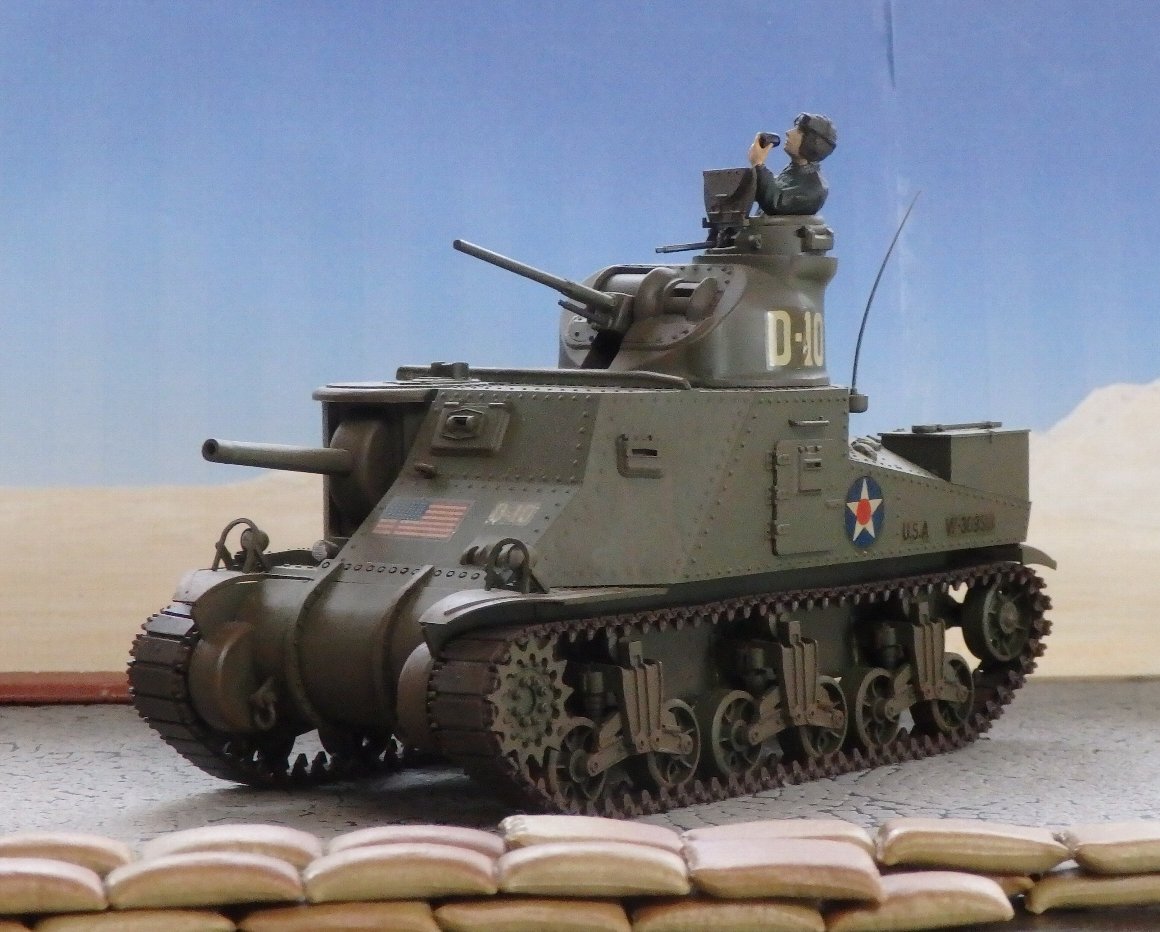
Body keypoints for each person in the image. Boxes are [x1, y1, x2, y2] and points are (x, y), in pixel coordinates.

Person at [748, 113, 837, 216]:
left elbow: (777, 203)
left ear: (812, 142)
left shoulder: (814, 189)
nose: (788, 133)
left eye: (799, 131)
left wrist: (758, 164)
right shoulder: (794, 173)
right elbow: (773, 187)